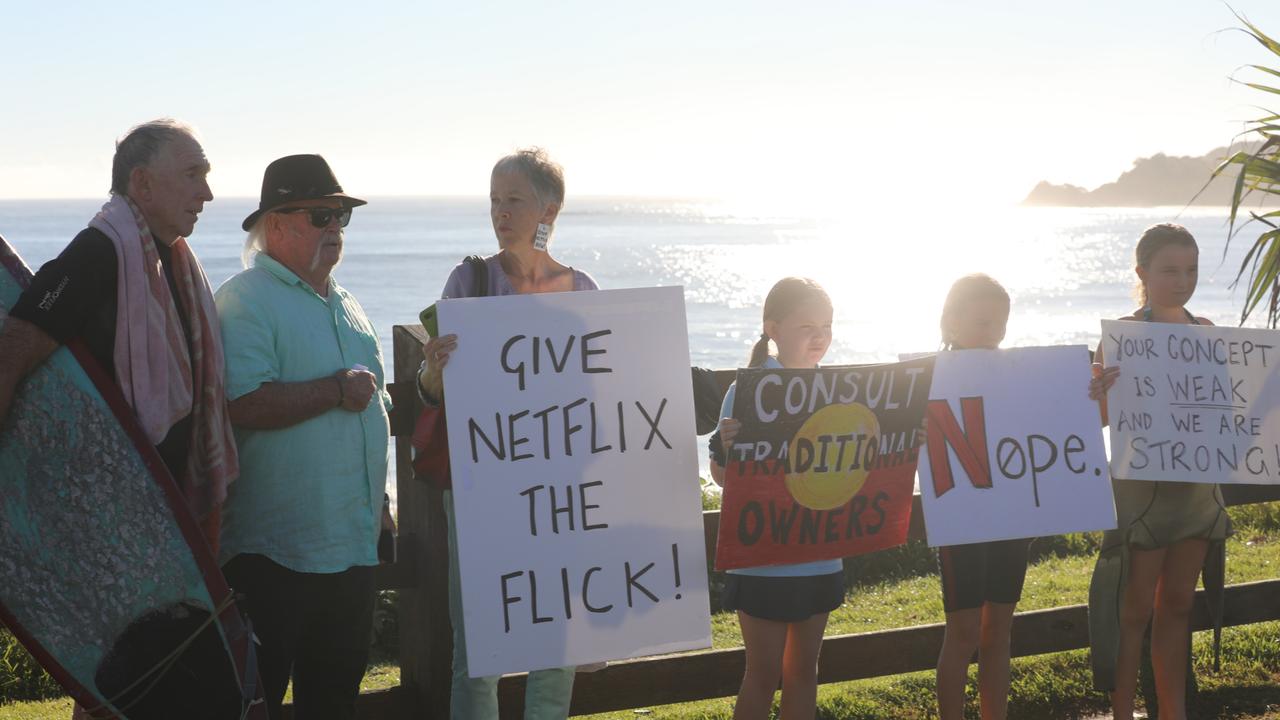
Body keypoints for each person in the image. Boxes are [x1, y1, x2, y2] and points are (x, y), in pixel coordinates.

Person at [0, 118, 240, 720]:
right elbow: (17, 346)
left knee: (140, 682)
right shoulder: (101, 250)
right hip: (110, 523)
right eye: (193, 175)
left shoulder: (172, 262)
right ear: (143, 183)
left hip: (161, 510)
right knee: (116, 681)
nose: (207, 193)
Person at [418, 148, 598, 720]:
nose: (500, 212)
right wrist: (432, 371)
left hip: (558, 492)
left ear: (550, 208)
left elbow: (604, 396)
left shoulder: (584, 290)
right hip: (481, 493)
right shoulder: (469, 279)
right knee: (478, 652)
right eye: (494, 200)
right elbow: (436, 393)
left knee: (555, 649)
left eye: (513, 200)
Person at [215, 154, 390, 720]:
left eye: (340, 216)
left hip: (349, 549)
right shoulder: (246, 299)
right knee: (255, 700)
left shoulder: (347, 303)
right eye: (320, 216)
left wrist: (380, 503)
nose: (335, 227)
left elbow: (375, 407)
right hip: (274, 556)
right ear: (276, 224)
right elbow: (242, 401)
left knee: (335, 701)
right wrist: (334, 391)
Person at [1087, 223, 1230, 720]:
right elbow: (1104, 419)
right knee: (1133, 613)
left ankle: (1174, 714)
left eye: (1191, 269)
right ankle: (1123, 713)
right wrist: (1098, 395)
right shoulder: (1123, 337)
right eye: (1171, 269)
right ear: (1143, 272)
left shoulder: (1207, 333)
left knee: (1178, 607)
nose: (1183, 279)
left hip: (1194, 493)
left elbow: (1228, 413)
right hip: (1142, 494)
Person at [708, 277, 841, 720]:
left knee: (805, 672)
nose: (820, 335)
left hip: (821, 553)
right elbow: (722, 477)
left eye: (826, 324)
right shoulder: (746, 389)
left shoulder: (841, 391)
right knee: (763, 674)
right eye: (807, 326)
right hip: (763, 555)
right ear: (773, 329)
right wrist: (729, 451)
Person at [931, 274, 1028, 720]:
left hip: (1011, 515)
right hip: (961, 520)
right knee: (964, 631)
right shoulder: (929, 378)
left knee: (1000, 632)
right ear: (950, 323)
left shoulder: (1017, 374)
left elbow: (1054, 422)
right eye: (984, 322)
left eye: (1002, 324)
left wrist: (1088, 392)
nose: (994, 333)